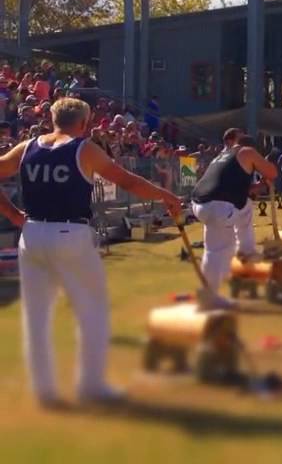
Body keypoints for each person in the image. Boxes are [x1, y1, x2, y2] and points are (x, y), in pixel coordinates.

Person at [0, 97, 181, 406]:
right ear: (84, 122)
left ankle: (44, 391)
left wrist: (14, 214)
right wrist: (165, 194)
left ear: (53, 119)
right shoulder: (84, 147)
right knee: (92, 311)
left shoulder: (28, 146)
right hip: (71, 233)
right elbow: (128, 180)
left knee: (37, 317)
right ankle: (91, 385)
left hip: (32, 233)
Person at [190, 128, 279, 304]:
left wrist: (260, 185)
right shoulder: (247, 151)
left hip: (201, 203)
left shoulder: (222, 157)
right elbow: (272, 173)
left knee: (244, 208)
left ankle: (245, 248)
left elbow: (240, 191)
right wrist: (266, 170)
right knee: (219, 251)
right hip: (217, 206)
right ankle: (210, 297)